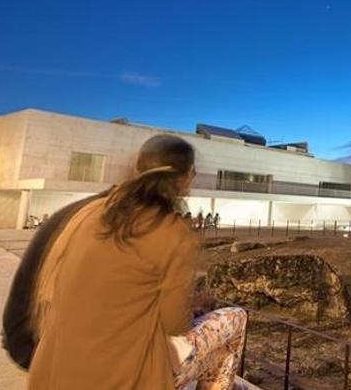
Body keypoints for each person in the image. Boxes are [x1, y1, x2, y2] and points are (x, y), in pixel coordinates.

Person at [22, 134, 247, 389]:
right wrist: (192, 304)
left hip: (55, 370)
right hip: (124, 376)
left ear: (137, 169)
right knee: (235, 317)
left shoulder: (89, 212)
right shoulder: (171, 230)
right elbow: (174, 324)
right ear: (185, 177)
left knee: (214, 355)